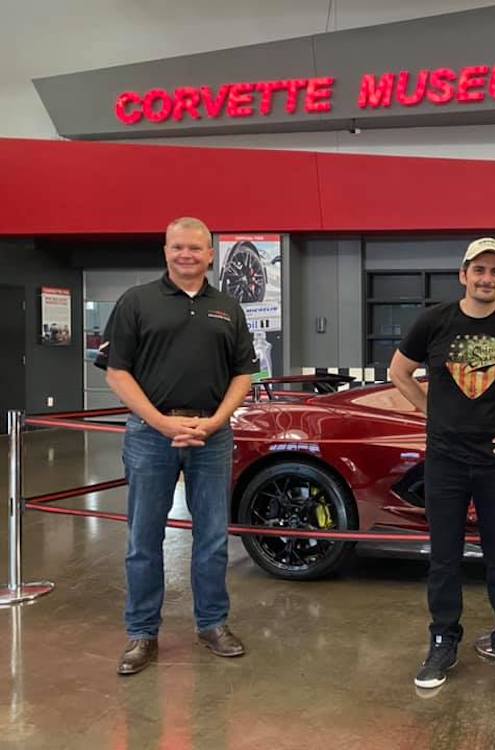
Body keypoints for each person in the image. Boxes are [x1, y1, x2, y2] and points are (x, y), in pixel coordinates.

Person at [389, 237, 495, 691]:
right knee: (444, 558)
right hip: (445, 460)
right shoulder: (434, 322)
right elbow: (397, 372)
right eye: (479, 270)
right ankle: (443, 640)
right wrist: (434, 411)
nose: (487, 279)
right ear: (463, 275)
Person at [102, 217, 259, 675]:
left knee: (211, 538)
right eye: (177, 247)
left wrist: (214, 421)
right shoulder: (136, 302)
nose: (186, 254)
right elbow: (116, 371)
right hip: (151, 436)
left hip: (211, 437)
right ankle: (141, 633)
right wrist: (162, 423)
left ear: (211, 254)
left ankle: (212, 624)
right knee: (143, 539)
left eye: (195, 247)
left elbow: (244, 374)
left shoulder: (228, 307)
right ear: (166, 250)